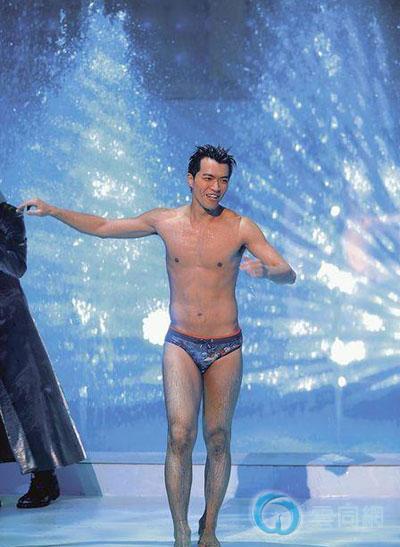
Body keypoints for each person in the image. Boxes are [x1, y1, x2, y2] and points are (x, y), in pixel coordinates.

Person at [19, 144, 296, 545]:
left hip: (226, 347)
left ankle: (209, 529)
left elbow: (287, 271)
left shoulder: (241, 227)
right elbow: (103, 226)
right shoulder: (165, 221)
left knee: (218, 437)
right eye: (208, 178)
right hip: (181, 343)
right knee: (180, 435)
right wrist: (54, 210)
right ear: (190, 180)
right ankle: (180, 532)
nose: (216, 187)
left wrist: (268, 272)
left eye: (223, 180)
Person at [0, 190, 86, 509]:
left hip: (7, 318)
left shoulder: (8, 215)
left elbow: (17, 265)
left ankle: (44, 478)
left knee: (27, 397)